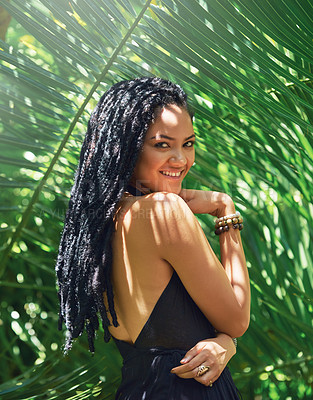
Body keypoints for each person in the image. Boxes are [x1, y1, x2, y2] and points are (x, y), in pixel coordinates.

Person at [55, 77, 250, 399]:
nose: (181, 159)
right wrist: (225, 212)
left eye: (188, 143)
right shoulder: (163, 211)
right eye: (162, 145)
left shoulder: (100, 227)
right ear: (127, 147)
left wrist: (224, 343)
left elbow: (169, 337)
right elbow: (237, 319)